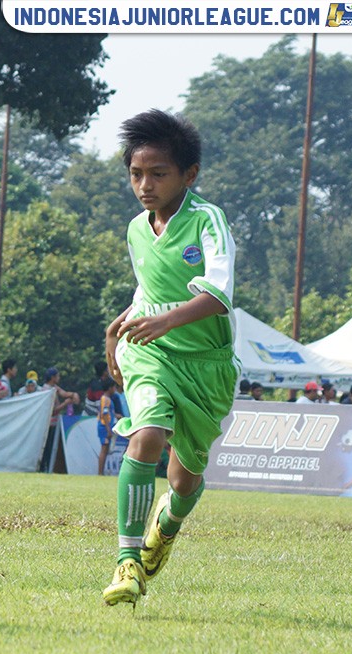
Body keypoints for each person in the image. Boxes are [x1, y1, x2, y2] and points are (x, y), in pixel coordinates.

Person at [102, 110, 238, 607]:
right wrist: (118, 327)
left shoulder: (207, 220)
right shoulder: (136, 229)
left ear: (189, 174)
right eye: (136, 174)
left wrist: (166, 319)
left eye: (158, 173)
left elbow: (219, 295)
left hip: (207, 363)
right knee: (147, 435)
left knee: (184, 480)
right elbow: (149, 289)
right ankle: (127, 562)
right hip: (151, 352)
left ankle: (170, 522)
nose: (145, 185)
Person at [97, 380, 122, 476]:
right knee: (104, 449)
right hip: (104, 426)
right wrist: (108, 430)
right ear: (109, 388)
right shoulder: (105, 399)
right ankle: (100, 472)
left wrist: (116, 415)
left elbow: (109, 413)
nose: (115, 389)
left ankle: (102, 472)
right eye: (114, 387)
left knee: (106, 449)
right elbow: (104, 414)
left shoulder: (108, 399)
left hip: (106, 426)